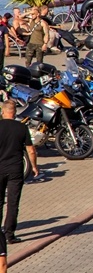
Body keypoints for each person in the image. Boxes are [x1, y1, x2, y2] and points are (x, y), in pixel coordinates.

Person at [0, 101, 38, 246]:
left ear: (3, 112)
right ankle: (10, 235)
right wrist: (34, 166)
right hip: (15, 169)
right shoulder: (21, 127)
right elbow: (31, 150)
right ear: (15, 112)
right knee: (13, 202)